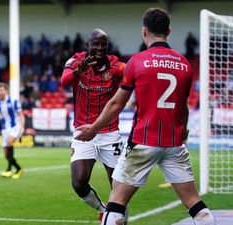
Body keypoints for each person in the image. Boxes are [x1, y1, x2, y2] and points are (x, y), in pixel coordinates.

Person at [75, 8, 216, 225]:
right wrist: (184, 134)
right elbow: (183, 107)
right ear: (168, 31)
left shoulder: (137, 61)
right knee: (196, 206)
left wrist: (93, 128)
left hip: (142, 141)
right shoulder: (184, 64)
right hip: (175, 143)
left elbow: (116, 104)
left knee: (116, 205)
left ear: (144, 32)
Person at [61, 28, 126, 222]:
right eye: (95, 44)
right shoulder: (75, 61)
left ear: (108, 45)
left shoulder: (116, 66)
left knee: (119, 187)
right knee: (79, 183)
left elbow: (133, 74)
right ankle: (101, 208)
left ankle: (121, 220)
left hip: (109, 133)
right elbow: (64, 81)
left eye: (103, 43)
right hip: (82, 132)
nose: (99, 47)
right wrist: (76, 71)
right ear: (87, 45)